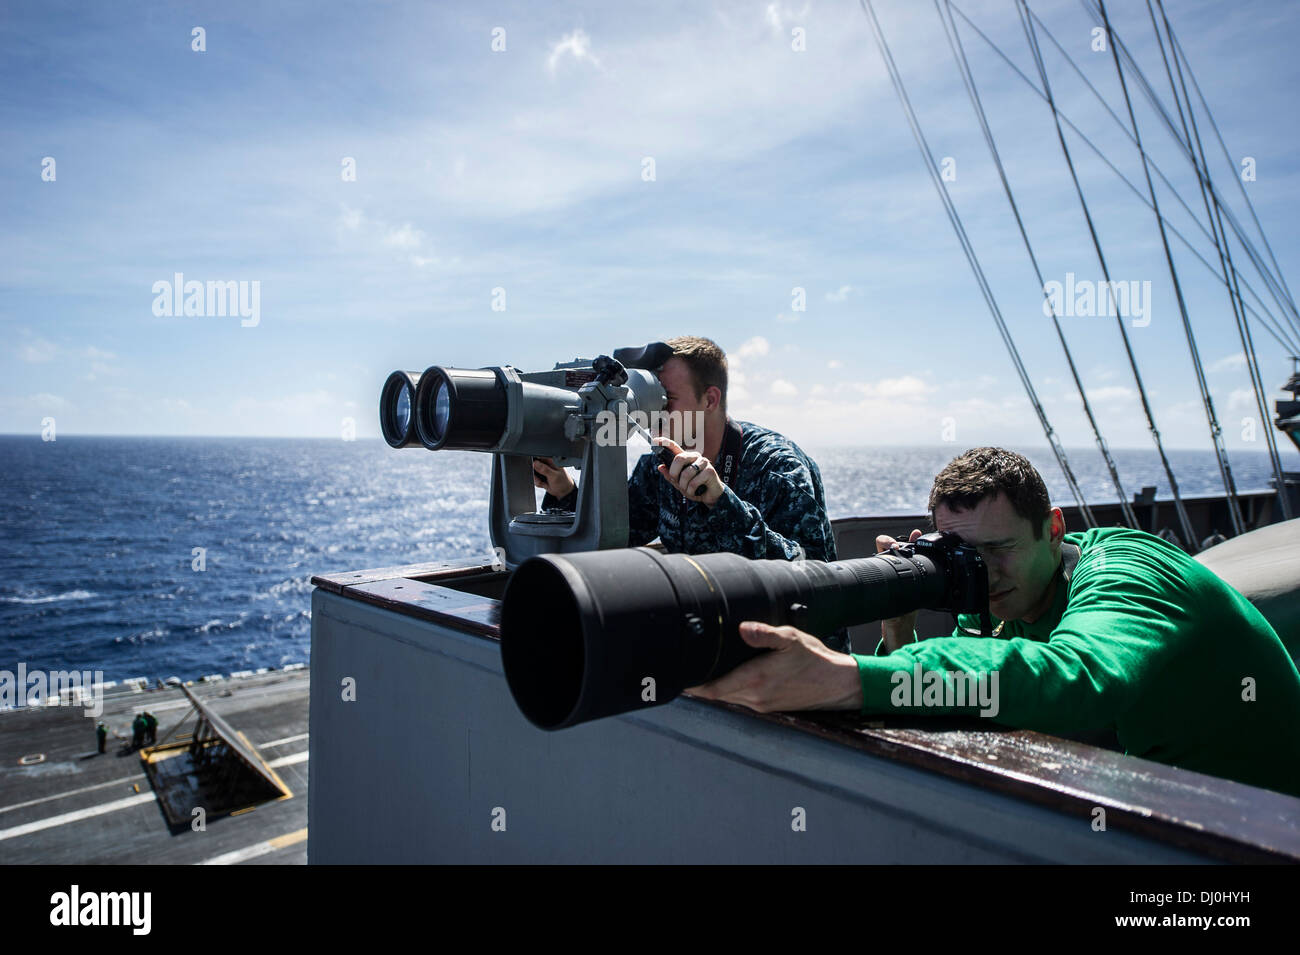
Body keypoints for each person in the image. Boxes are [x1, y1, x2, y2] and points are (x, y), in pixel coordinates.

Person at [686, 447, 1300, 798]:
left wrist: (849, 679)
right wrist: (896, 631)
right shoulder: (1023, 597)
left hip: (1264, 824)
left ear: (1053, 528)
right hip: (1172, 803)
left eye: (999, 549)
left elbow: (1076, 678)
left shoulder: (1127, 573)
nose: (984, 573)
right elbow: (978, 680)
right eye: (963, 555)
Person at [532, 335, 845, 649]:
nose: (653, 414)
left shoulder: (776, 467)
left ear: (709, 400)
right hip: (715, 643)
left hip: (800, 657)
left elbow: (811, 579)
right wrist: (564, 490)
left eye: (666, 399)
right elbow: (618, 535)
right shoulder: (659, 467)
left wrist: (721, 502)